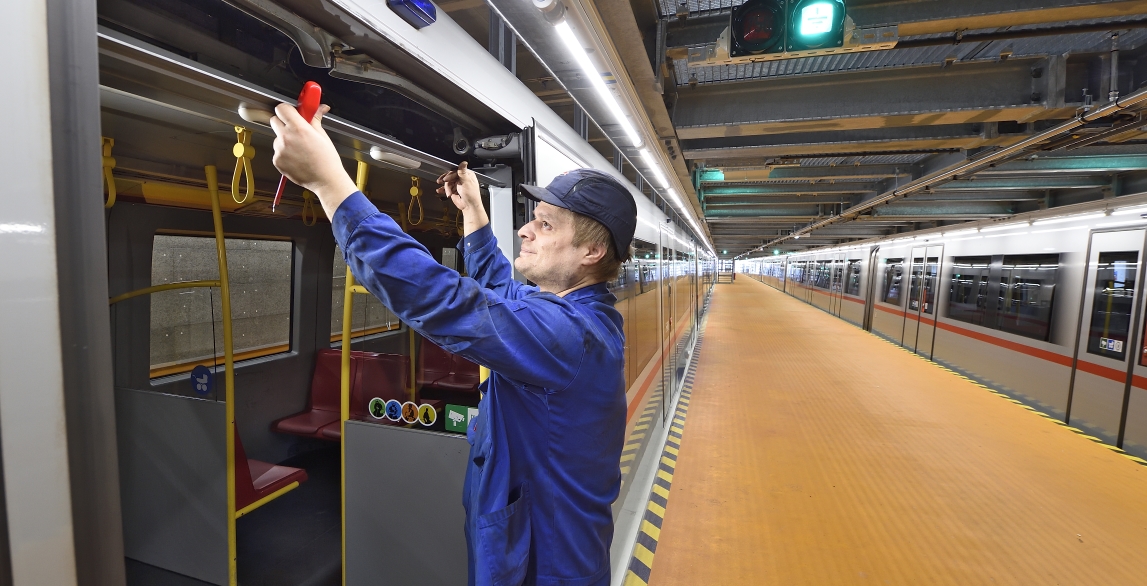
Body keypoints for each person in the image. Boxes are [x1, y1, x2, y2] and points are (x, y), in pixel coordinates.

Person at [269, 102, 637, 586]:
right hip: (526, 540)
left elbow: (450, 302)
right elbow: (506, 297)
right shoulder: (573, 319)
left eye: (546, 225)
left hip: (544, 562)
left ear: (592, 252)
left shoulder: (571, 336)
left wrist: (330, 184)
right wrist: (475, 214)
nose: (525, 229)